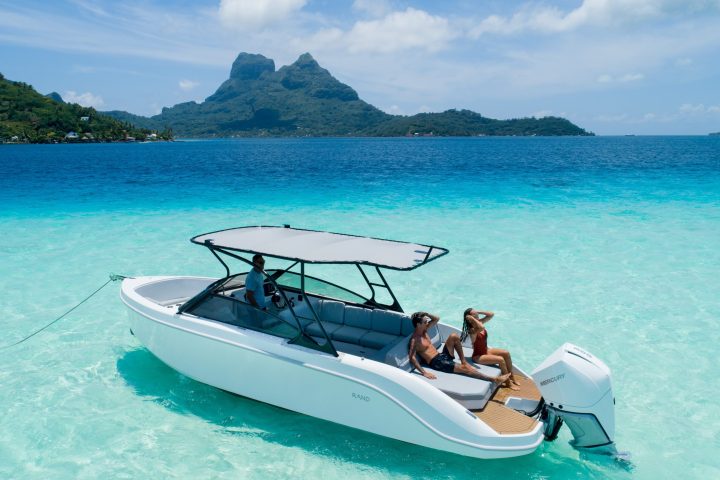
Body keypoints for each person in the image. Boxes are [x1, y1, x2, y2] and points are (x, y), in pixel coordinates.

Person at [408, 311, 510, 385]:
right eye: (425, 321)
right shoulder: (414, 340)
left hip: (441, 355)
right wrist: (424, 373)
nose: (427, 322)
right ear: (418, 324)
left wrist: (426, 314)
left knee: (454, 336)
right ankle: (494, 379)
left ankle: (463, 361)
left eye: (427, 321)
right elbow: (412, 357)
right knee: (464, 369)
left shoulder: (424, 330)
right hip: (437, 362)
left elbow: (436, 319)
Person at [461, 308, 520, 390]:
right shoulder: (472, 330)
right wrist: (472, 319)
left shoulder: (480, 322)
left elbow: (491, 314)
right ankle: (508, 383)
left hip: (486, 351)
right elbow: (481, 328)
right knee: (500, 359)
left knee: (506, 353)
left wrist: (478, 311)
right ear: (470, 318)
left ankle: (512, 377)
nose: (477, 315)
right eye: (475, 314)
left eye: (477, 314)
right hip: (478, 356)